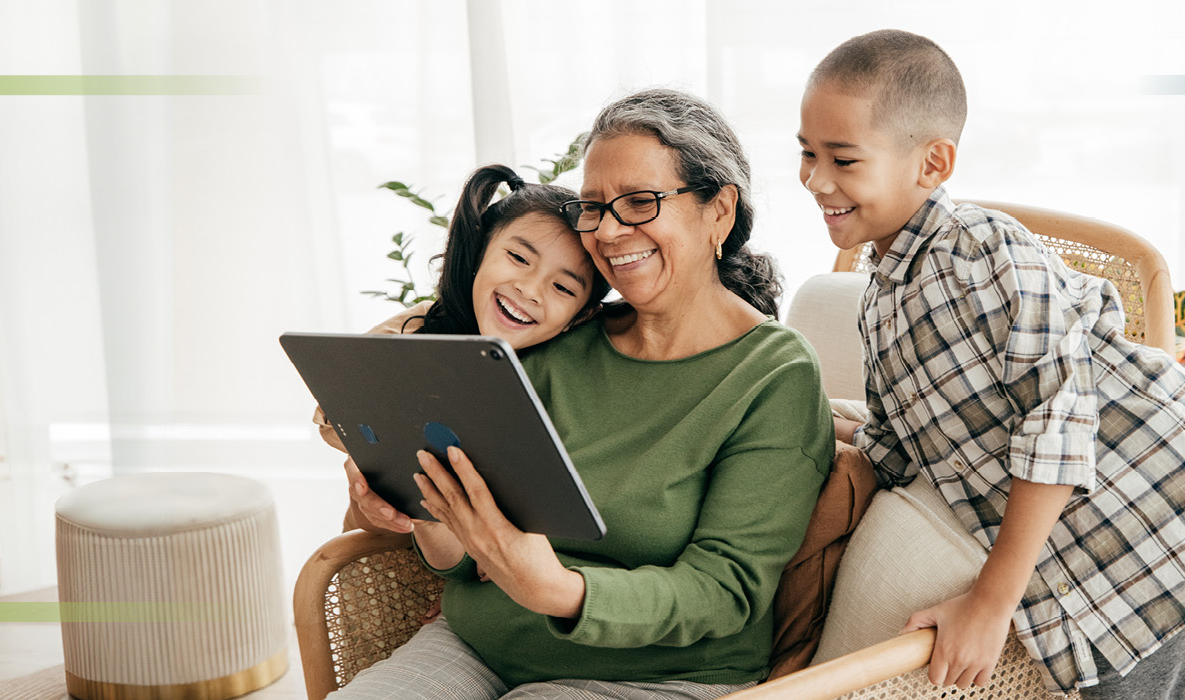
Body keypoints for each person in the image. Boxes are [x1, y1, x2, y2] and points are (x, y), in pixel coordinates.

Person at [799, 30, 1185, 699]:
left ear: (933, 164)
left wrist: (989, 604)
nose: (815, 179)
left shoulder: (979, 249)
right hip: (1099, 595)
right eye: (806, 154)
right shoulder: (881, 306)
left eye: (843, 159)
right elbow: (900, 450)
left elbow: (1059, 414)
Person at [330, 88, 833, 700]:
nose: (610, 231)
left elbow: (725, 589)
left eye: (639, 203)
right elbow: (464, 553)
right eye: (594, 207)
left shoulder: (772, 375)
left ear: (719, 212)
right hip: (474, 648)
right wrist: (419, 507)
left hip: (652, 677)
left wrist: (558, 590)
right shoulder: (560, 331)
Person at [311, 163, 608, 464]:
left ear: (580, 316)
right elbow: (333, 418)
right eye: (518, 258)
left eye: (563, 287)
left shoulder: (562, 375)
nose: (530, 290)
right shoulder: (420, 325)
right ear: (481, 249)